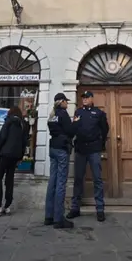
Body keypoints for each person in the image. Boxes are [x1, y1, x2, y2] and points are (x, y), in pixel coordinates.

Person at [67, 91, 108, 222]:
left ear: (91, 99)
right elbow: (74, 128)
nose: (84, 99)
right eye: (83, 98)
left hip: (94, 149)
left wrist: (100, 144)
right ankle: (75, 208)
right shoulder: (78, 112)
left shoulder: (99, 113)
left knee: (97, 179)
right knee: (78, 178)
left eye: (86, 97)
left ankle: (100, 209)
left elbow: (105, 129)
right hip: (80, 149)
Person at [0, 106, 28, 217]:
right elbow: (24, 142)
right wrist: (20, 156)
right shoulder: (23, 124)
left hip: (5, 154)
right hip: (15, 156)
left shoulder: (8, 122)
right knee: (10, 179)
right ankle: (7, 206)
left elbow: (2, 138)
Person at [44, 93, 76, 229]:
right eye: (66, 101)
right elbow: (70, 131)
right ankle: (58, 219)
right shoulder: (63, 114)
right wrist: (75, 122)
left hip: (53, 149)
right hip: (62, 149)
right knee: (61, 183)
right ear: (61, 102)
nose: (67, 104)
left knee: (52, 182)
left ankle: (49, 216)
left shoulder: (52, 115)